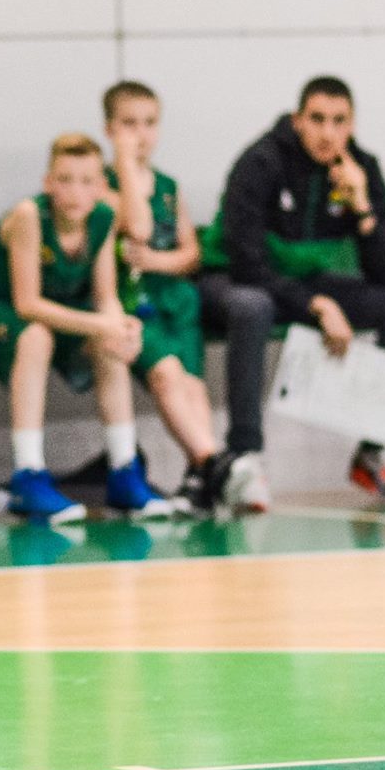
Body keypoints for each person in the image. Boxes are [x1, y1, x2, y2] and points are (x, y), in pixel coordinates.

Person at [196, 75, 385, 508]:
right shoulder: (260, 162)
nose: (327, 132)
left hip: (302, 284)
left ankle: (376, 455)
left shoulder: (360, 168)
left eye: (339, 121)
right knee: (252, 307)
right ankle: (244, 457)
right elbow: (247, 263)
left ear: (352, 125)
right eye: (317, 119)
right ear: (298, 120)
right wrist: (317, 305)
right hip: (234, 278)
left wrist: (363, 207)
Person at [0, 134, 172, 524]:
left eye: (86, 181)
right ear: (48, 183)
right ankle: (29, 475)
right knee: (36, 336)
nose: (75, 192)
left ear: (101, 187)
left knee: (109, 340)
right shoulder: (29, 216)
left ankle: (124, 470)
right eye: (65, 180)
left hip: (52, 310)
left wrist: (120, 327)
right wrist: (102, 323)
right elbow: (27, 304)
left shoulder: (103, 218)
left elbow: (106, 297)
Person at [104, 82, 233, 514]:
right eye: (129, 124)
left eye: (149, 123)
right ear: (110, 129)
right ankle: (215, 463)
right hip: (132, 303)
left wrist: (158, 261)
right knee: (166, 376)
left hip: (176, 301)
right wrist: (125, 163)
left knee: (192, 386)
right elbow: (135, 224)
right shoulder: (101, 183)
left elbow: (191, 253)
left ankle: (200, 474)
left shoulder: (168, 187)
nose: (140, 133)